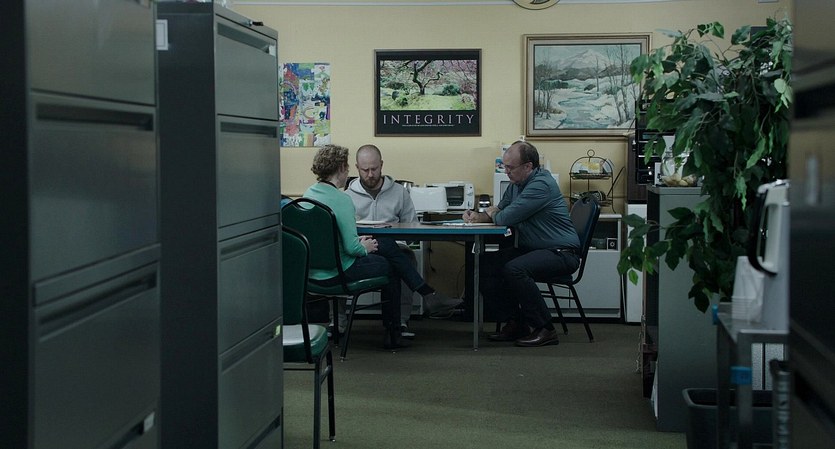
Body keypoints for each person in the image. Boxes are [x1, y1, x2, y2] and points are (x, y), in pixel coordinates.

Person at [462, 140, 580, 347]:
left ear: (528, 166)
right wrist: (479, 215)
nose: (506, 172)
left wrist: (493, 213)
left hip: (561, 252)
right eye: (504, 167)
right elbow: (499, 210)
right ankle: (515, 322)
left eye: (510, 167)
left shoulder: (541, 185)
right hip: (534, 249)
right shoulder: (516, 185)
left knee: (515, 269)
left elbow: (505, 216)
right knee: (482, 264)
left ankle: (545, 328)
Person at [346, 144, 462, 338]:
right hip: (362, 248)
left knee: (400, 254)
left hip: (395, 247)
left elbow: (411, 229)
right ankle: (421, 301)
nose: (370, 174)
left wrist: (397, 233)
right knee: (395, 257)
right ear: (357, 168)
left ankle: (400, 321)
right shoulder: (347, 196)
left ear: (382, 165)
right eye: (365, 170)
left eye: (374, 168)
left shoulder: (399, 192)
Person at [303, 144, 407, 349]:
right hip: (339, 272)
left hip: (312, 274)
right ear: (342, 168)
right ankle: (393, 331)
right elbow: (352, 249)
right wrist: (364, 246)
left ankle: (339, 323)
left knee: (388, 256)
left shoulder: (308, 194)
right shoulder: (342, 199)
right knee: (391, 265)